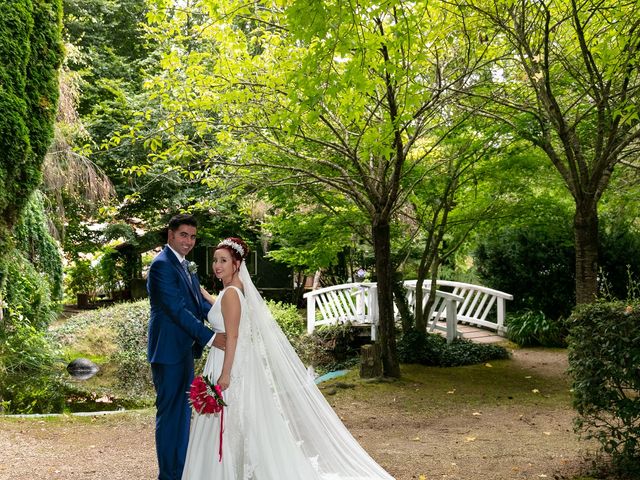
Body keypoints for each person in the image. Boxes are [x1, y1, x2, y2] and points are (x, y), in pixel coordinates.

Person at [182, 237, 394, 479]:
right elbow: (223, 308)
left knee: (228, 421)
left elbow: (232, 336)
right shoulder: (235, 290)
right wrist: (204, 294)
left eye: (223, 260)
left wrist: (226, 373)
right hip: (233, 359)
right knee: (237, 420)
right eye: (215, 260)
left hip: (227, 362)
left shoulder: (231, 293)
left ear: (237, 264)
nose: (217, 265)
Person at [147, 213, 226, 480]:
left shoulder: (186, 266)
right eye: (183, 235)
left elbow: (198, 304)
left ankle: (181, 471)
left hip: (184, 351)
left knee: (183, 413)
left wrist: (227, 319)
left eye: (192, 237)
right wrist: (212, 338)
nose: (188, 241)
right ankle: (168, 475)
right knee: (170, 415)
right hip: (167, 352)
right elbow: (176, 311)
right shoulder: (161, 266)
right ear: (170, 234)